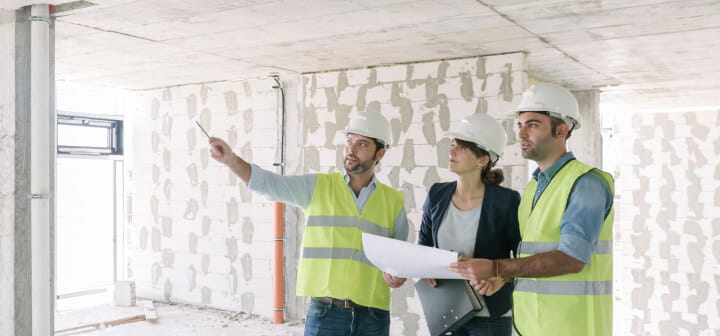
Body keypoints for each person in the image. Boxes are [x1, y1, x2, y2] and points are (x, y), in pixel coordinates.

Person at [209, 111, 407, 336]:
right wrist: (231, 160)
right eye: (349, 141)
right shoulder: (318, 187)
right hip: (326, 313)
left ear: (379, 154)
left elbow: (399, 260)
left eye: (362, 144)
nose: (351, 150)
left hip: (373, 315)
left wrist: (397, 274)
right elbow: (270, 184)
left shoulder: (394, 201)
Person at [449, 83, 615, 336]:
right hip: (531, 326)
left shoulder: (586, 183)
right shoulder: (535, 187)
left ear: (561, 130)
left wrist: (496, 268)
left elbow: (572, 259)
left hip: (573, 327)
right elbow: (533, 258)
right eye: (520, 125)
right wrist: (503, 278)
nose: (521, 134)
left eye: (533, 125)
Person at [418, 114, 520, 336]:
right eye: (452, 145)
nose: (451, 151)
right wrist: (426, 269)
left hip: (490, 316)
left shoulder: (506, 201)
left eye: (461, 148)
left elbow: (523, 258)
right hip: (447, 312)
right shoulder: (437, 194)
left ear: (482, 160)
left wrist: (500, 278)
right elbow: (423, 246)